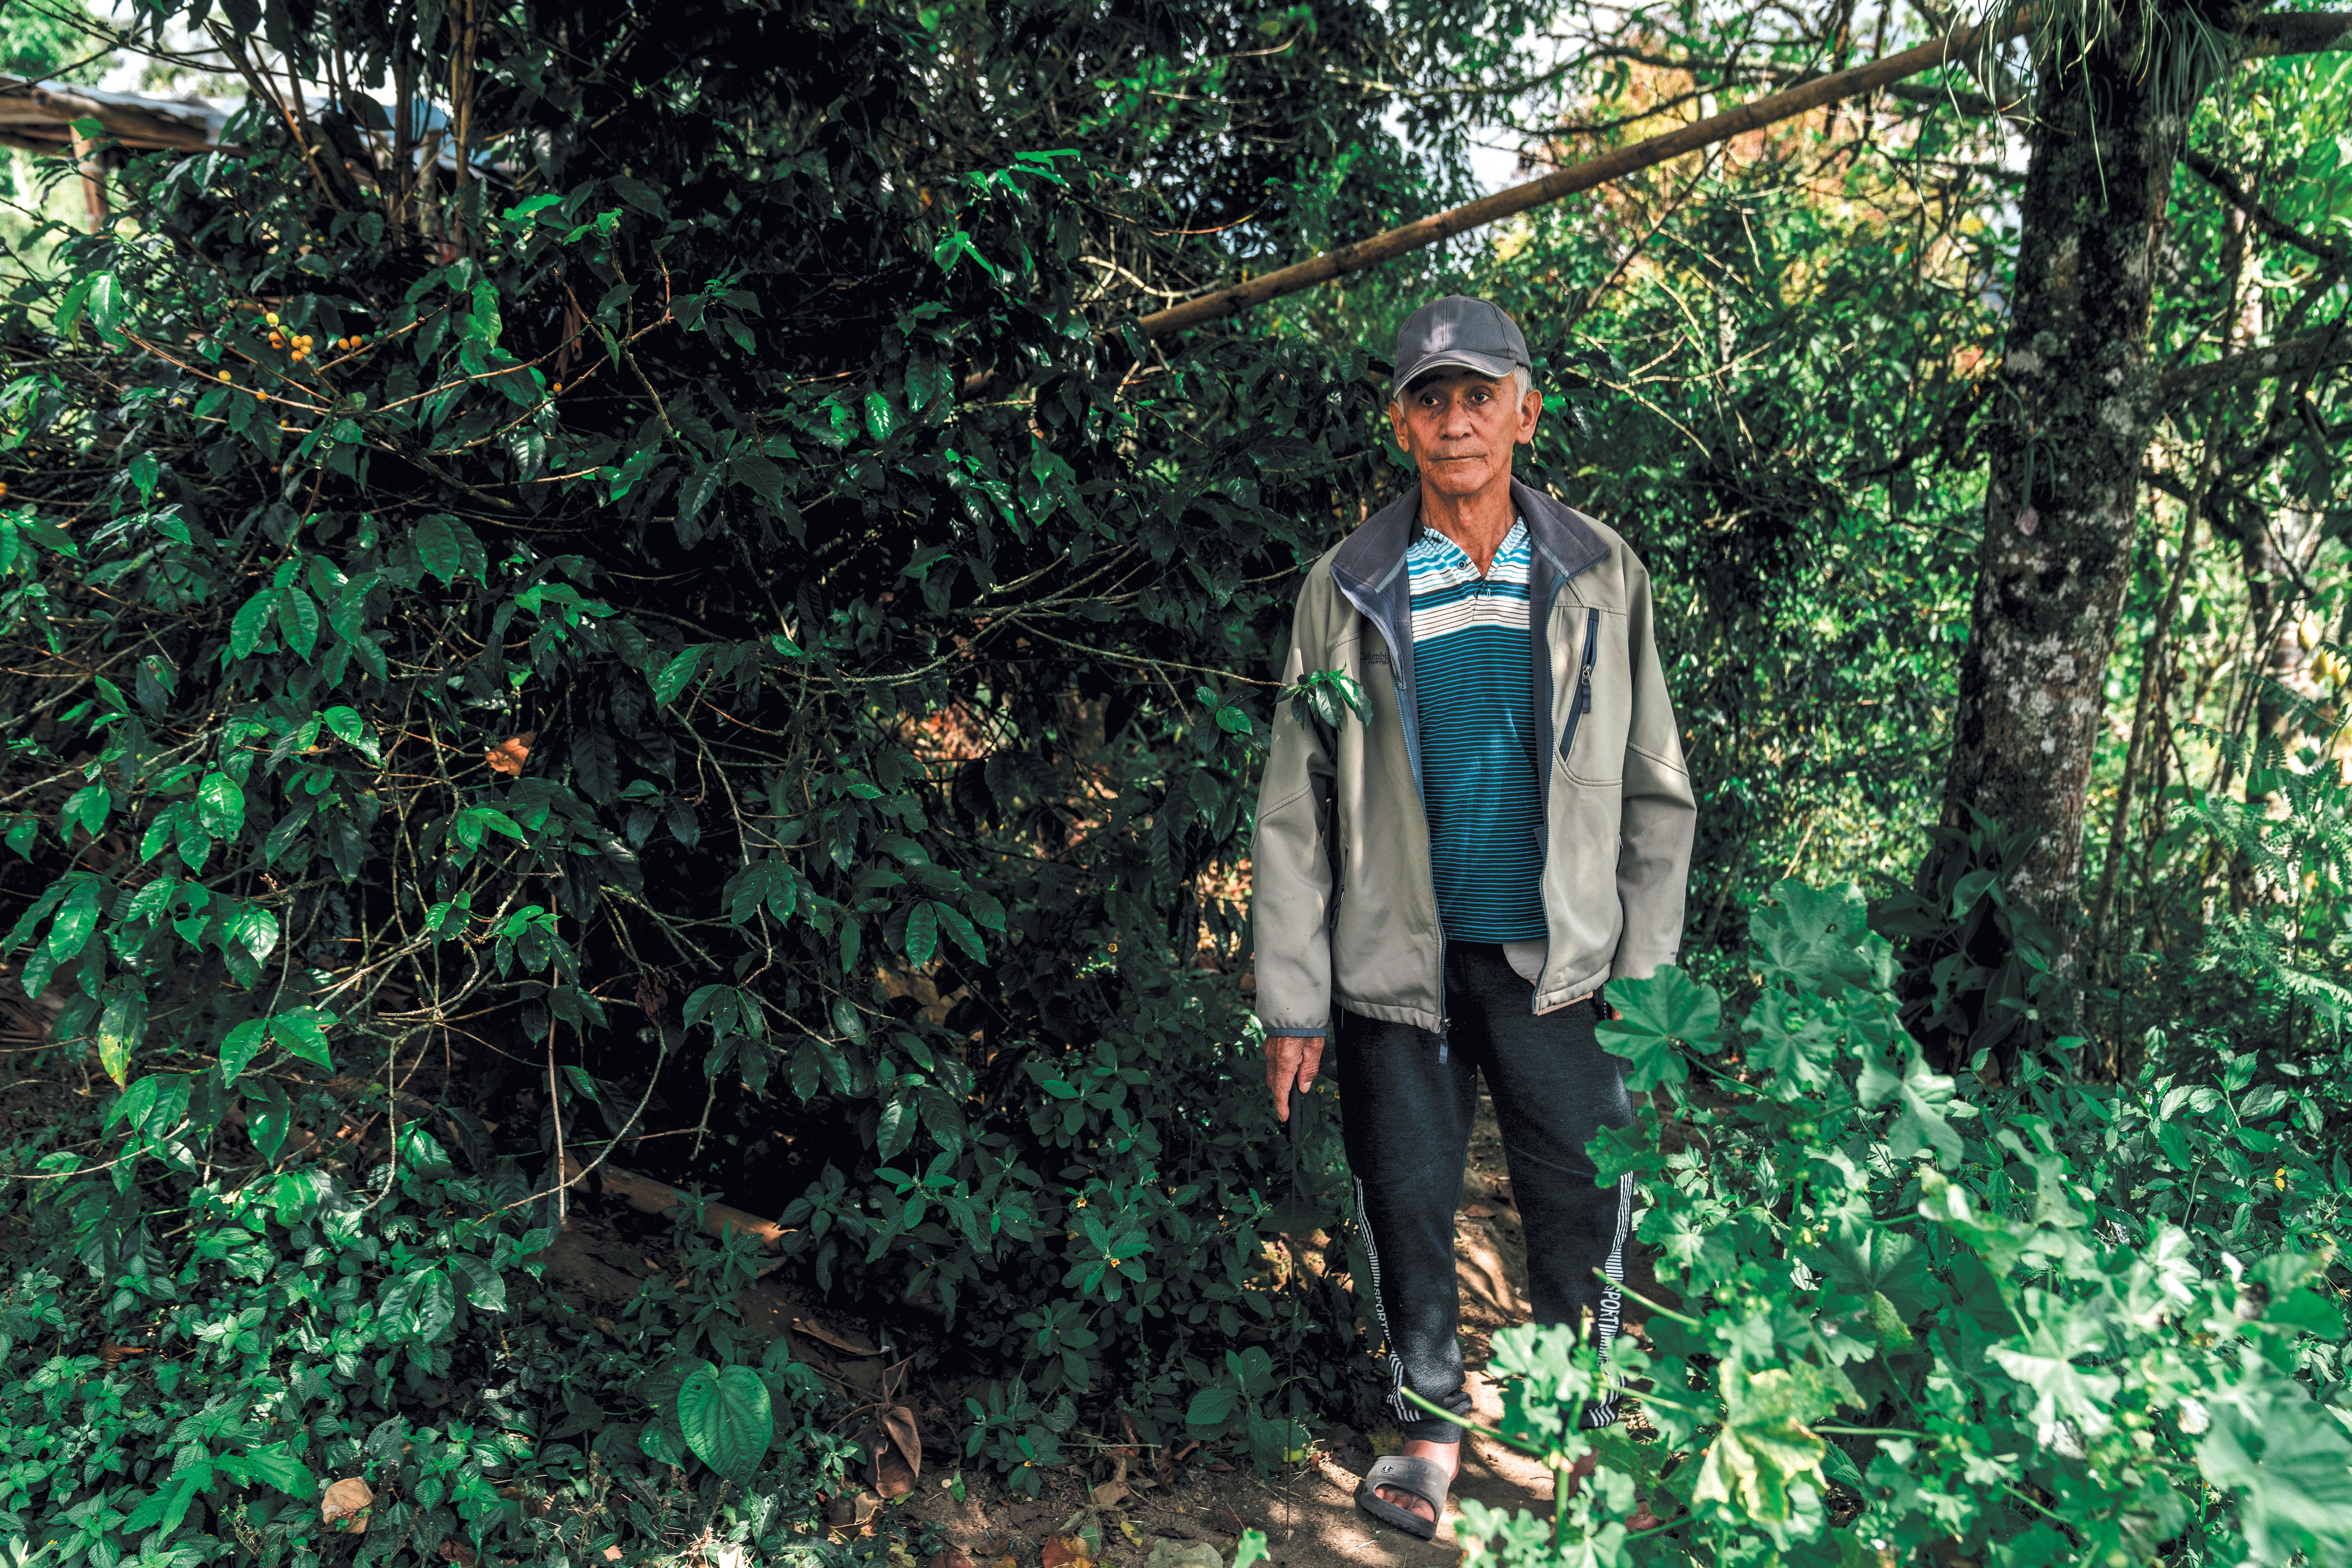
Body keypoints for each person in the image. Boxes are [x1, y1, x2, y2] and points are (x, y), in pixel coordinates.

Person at [1249, 295, 1695, 1539]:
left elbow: (1657, 788)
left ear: (1524, 409)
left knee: (1583, 1196)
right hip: (1399, 956)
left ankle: (1583, 1427)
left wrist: (1648, 977)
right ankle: (1430, 1431)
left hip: (1563, 959)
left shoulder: (1600, 572)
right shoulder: (1345, 585)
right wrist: (1290, 998)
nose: (1457, 422)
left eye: (1477, 395)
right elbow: (1293, 807)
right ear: (1400, 424)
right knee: (1406, 1193)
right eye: (1431, 399)